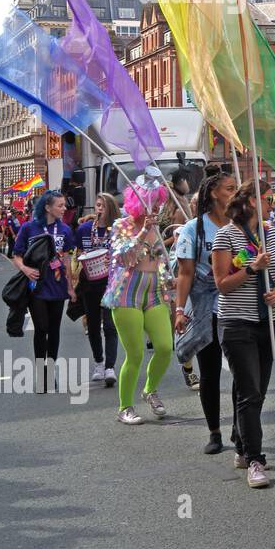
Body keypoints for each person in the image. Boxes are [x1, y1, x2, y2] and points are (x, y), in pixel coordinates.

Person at [212, 180, 275, 487]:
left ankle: (243, 447)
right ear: (253, 202)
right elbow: (222, 284)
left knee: (258, 392)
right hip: (236, 323)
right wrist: (252, 270)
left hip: (267, 322)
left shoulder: (271, 233)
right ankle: (256, 460)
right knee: (251, 392)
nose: (273, 203)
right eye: (269, 198)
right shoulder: (226, 235)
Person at [173, 172, 237, 453]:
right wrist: (179, 310)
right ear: (213, 193)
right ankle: (214, 432)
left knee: (243, 372)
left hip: (236, 306)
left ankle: (241, 429)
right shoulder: (192, 229)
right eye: (230, 188)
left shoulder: (242, 225)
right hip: (204, 309)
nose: (235, 192)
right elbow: (185, 273)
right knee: (210, 372)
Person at [105, 181, 173, 424]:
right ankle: (125, 407)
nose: (155, 207)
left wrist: (169, 274)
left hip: (154, 292)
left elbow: (161, 260)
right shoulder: (122, 225)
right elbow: (124, 258)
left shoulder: (157, 226)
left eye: (157, 201)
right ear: (137, 202)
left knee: (165, 347)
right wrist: (144, 232)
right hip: (127, 294)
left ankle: (150, 389)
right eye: (150, 201)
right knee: (134, 354)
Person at [12, 190, 77, 394]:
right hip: (37, 285)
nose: (64, 208)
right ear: (47, 207)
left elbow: (66, 258)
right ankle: (42, 374)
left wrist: (70, 286)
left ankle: (50, 371)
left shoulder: (65, 229)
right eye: (60, 205)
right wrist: (25, 269)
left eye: (64, 205)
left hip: (57, 285)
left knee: (54, 329)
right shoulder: (28, 228)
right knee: (41, 328)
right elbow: (16, 255)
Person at [76, 192, 119, 389]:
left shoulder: (118, 229)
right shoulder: (85, 229)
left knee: (110, 325)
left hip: (111, 282)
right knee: (93, 325)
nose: (99, 209)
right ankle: (99, 362)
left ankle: (110, 367)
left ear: (110, 208)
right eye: (97, 205)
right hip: (89, 282)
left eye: (103, 206)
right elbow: (77, 251)